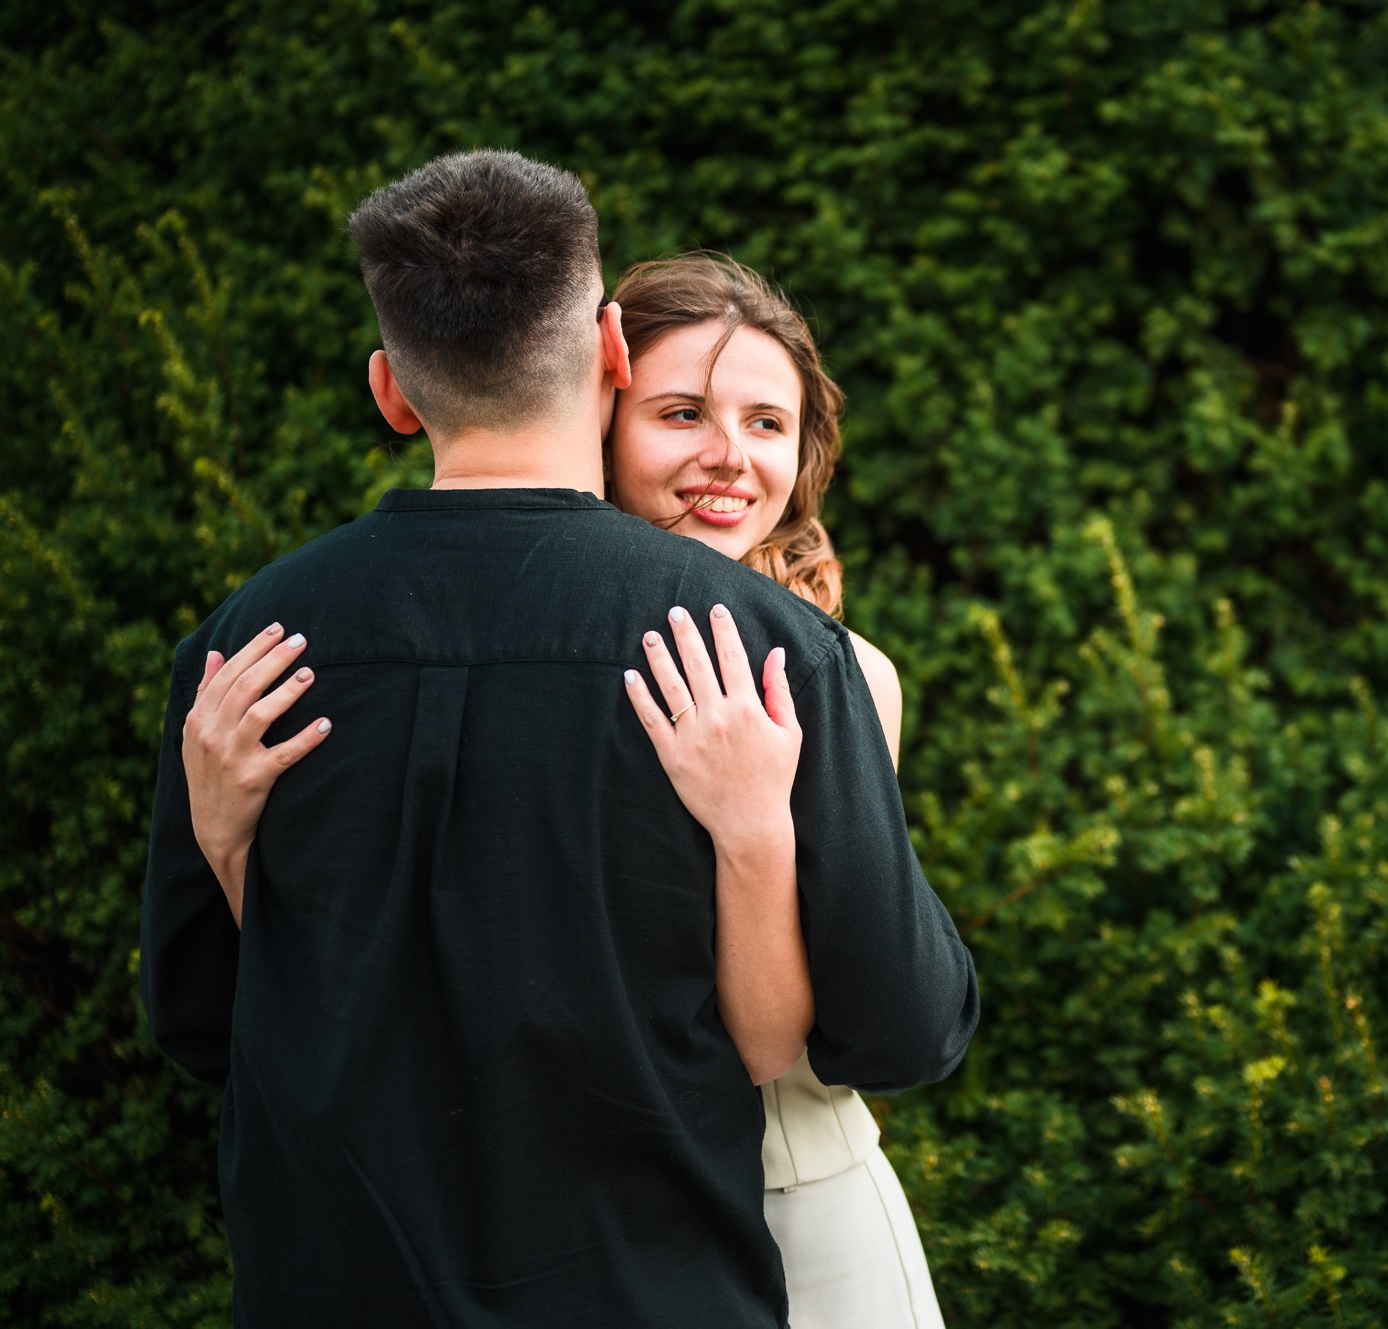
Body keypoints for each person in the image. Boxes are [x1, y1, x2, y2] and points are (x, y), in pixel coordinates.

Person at [140, 151, 977, 1329]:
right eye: (682, 412)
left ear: (390, 389)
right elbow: (901, 1027)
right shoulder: (769, 653)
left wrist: (229, 850)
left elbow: (200, 1024)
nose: (725, 456)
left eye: (765, 422)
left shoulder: (243, 654)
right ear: (612, 358)